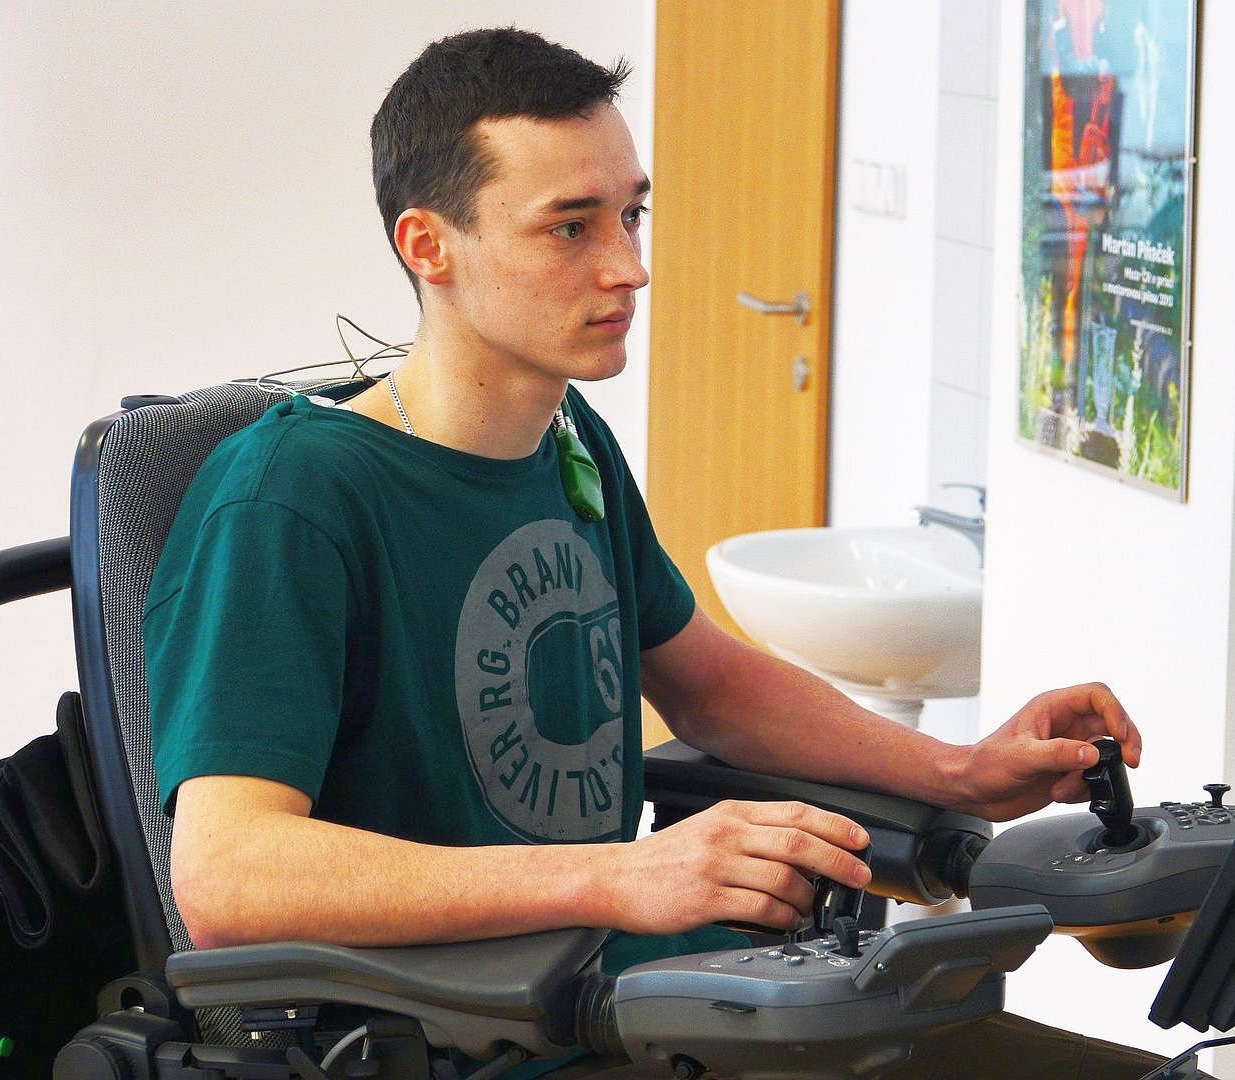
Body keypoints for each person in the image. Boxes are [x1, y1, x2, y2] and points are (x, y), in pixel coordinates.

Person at [144, 27, 1168, 1079]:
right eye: (570, 228)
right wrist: (619, 876)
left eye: (630, 215)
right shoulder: (291, 499)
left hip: (649, 999)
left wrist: (962, 769)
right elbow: (229, 878)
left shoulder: (569, 438)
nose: (629, 268)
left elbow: (708, 683)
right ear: (429, 246)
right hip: (486, 1041)